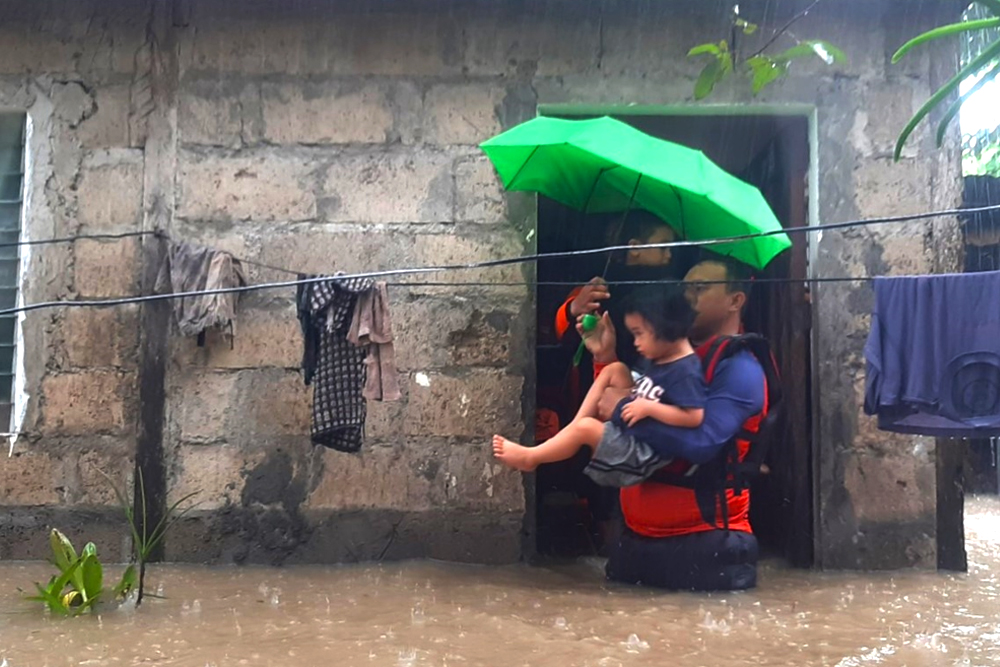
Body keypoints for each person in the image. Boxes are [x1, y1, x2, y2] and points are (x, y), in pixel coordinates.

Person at [584, 257, 772, 592]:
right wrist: (605, 358)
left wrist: (622, 409)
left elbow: (702, 445)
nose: (687, 298)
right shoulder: (668, 358)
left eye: (699, 289)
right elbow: (623, 425)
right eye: (684, 289)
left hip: (706, 546)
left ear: (735, 301)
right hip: (636, 542)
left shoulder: (741, 369)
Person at [496, 287, 706, 488]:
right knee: (615, 369)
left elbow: (694, 417)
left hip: (641, 454)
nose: (636, 343)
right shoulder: (662, 358)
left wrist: (648, 408)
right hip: (635, 427)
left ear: (664, 328)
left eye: (640, 334)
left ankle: (532, 457)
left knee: (586, 428)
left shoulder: (685, 371)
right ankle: (571, 432)